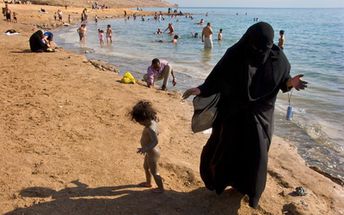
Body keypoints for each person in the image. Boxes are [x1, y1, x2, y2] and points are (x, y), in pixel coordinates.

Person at [182, 22, 307, 208]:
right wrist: (200, 89)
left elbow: (282, 82)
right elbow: (217, 76)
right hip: (232, 115)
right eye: (255, 46)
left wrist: (290, 83)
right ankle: (221, 182)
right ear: (249, 40)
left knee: (256, 155)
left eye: (263, 47)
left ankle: (249, 190)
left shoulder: (278, 60)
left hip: (260, 117)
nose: (259, 51)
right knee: (226, 150)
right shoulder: (236, 53)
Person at [129, 100, 164, 193]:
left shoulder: (150, 128)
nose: (140, 124)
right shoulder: (152, 121)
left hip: (152, 154)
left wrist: (145, 148)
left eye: (141, 122)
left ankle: (161, 188)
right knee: (145, 167)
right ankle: (148, 183)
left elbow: (155, 141)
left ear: (145, 119)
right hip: (149, 152)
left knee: (155, 172)